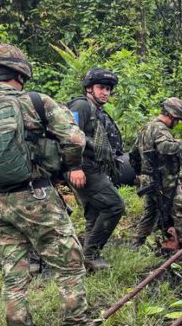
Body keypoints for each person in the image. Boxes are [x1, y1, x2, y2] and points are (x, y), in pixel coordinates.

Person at [0, 44, 91, 325]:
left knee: (14, 276)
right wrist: (71, 166)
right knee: (69, 266)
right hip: (38, 197)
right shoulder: (36, 102)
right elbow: (74, 139)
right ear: (20, 72)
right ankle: (77, 321)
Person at [66, 68, 125, 271]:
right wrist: (74, 167)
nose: (105, 92)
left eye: (108, 89)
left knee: (94, 212)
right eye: (101, 88)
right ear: (89, 88)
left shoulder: (97, 110)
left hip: (93, 167)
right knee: (115, 206)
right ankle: (91, 254)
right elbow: (69, 137)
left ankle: (87, 257)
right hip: (84, 168)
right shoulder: (81, 105)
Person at [129, 97, 182, 257]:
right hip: (164, 180)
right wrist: (181, 143)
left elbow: (133, 153)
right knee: (180, 211)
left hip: (150, 179)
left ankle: (137, 243)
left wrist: (139, 172)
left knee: (151, 212)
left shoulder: (147, 127)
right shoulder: (161, 130)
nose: (177, 123)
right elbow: (166, 148)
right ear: (172, 116)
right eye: (177, 120)